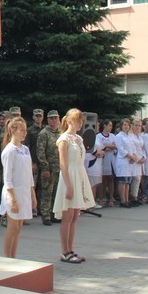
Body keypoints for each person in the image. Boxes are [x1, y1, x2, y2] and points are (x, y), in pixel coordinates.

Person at [53, 109, 95, 263]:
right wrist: (69, 185)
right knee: (68, 216)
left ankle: (71, 249)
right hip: (68, 177)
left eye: (82, 121)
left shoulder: (78, 138)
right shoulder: (64, 139)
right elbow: (63, 164)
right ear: (70, 121)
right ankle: (64, 251)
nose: (81, 124)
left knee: (76, 215)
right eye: (78, 120)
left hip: (79, 175)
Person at [0, 117, 36, 258]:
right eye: (22, 130)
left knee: (19, 227)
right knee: (12, 227)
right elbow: (7, 178)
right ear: (13, 131)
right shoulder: (10, 151)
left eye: (25, 130)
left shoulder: (25, 149)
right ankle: (7, 257)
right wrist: (12, 199)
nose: (25, 133)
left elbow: (29, 175)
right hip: (13, 193)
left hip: (24, 192)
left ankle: (13, 257)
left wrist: (32, 194)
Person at [36, 110, 61, 225]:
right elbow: (40, 152)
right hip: (49, 169)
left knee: (56, 192)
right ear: (48, 120)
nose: (54, 120)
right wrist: (45, 168)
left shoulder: (61, 133)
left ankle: (53, 214)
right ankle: (45, 215)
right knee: (47, 192)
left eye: (56, 118)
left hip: (59, 168)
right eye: (51, 118)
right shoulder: (44, 133)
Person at [26, 109, 45, 217]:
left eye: (40, 116)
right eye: (36, 116)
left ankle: (41, 208)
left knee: (43, 187)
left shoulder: (46, 129)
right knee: (32, 185)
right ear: (33, 117)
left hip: (43, 162)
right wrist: (31, 162)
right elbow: (27, 147)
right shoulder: (29, 130)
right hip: (34, 162)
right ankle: (32, 208)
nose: (38, 118)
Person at [96, 120, 116, 207]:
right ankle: (101, 198)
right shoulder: (99, 136)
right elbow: (101, 147)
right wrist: (107, 147)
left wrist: (107, 146)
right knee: (102, 180)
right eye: (110, 125)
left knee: (110, 179)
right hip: (102, 160)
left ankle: (111, 198)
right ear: (104, 126)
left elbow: (115, 146)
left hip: (111, 159)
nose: (111, 127)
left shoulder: (112, 136)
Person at [115, 119, 133, 208]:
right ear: (121, 126)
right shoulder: (119, 136)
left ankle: (127, 199)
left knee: (127, 182)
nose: (126, 126)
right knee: (122, 181)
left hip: (129, 161)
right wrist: (130, 156)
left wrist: (133, 157)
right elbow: (121, 149)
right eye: (124, 125)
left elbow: (132, 147)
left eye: (128, 125)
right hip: (123, 160)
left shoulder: (129, 136)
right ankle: (122, 201)